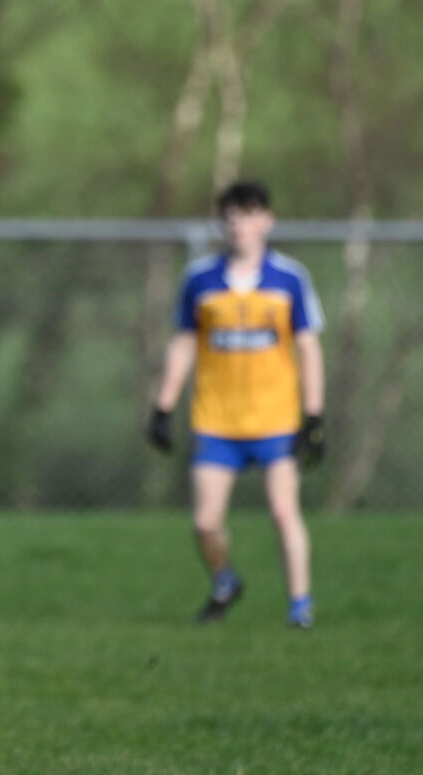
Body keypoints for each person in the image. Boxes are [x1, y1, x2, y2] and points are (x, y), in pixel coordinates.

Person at [147, 179, 326, 629]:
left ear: (267, 220)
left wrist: (315, 415)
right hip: (216, 421)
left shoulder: (290, 278)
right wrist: (163, 406)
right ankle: (224, 581)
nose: (240, 226)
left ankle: (299, 608)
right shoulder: (201, 280)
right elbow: (185, 343)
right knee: (206, 523)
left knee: (285, 512)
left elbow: (307, 348)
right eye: (231, 217)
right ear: (222, 223)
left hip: (276, 420)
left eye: (249, 215)